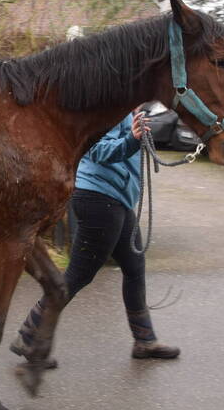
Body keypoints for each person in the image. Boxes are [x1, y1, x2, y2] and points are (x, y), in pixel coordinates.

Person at [11, 110, 180, 364]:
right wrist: (131, 140)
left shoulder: (129, 105)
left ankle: (145, 340)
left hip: (117, 199)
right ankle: (30, 337)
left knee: (134, 267)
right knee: (78, 275)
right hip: (99, 198)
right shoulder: (110, 105)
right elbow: (98, 150)